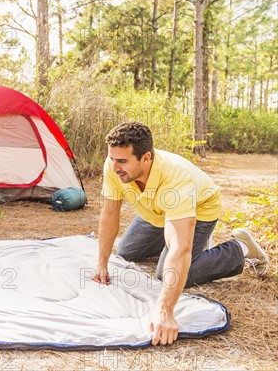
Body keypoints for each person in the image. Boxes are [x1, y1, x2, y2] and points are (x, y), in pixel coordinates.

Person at [93, 122, 268, 346]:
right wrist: (101, 263)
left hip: (199, 208)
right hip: (155, 211)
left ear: (146, 158)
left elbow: (180, 249)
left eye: (122, 161)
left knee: (166, 274)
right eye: (112, 159)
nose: (115, 167)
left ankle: (240, 248)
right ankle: (186, 242)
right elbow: (110, 212)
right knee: (126, 251)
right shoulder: (114, 166)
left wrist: (165, 310)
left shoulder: (176, 179)